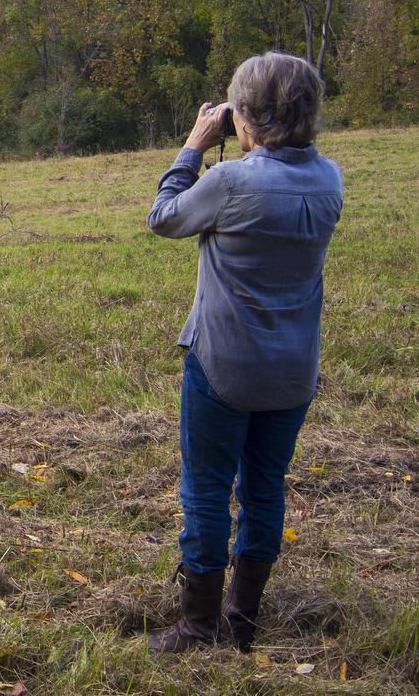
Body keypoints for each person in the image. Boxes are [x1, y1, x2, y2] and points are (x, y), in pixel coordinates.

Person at [144, 51, 343, 653]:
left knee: (206, 489)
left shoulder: (230, 181)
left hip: (224, 365)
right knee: (265, 486)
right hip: (293, 369)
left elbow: (163, 219)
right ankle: (243, 619)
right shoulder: (329, 177)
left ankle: (197, 625)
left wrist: (193, 147)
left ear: (245, 117)